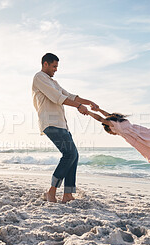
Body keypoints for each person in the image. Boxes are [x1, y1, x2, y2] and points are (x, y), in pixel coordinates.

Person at [32, 53, 99, 203]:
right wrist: (79, 107)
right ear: (45, 64)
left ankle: (67, 194)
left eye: (57, 67)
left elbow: (70, 96)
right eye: (54, 66)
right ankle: (52, 191)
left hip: (61, 124)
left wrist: (89, 102)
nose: (56, 69)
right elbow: (57, 97)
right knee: (69, 154)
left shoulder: (53, 82)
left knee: (74, 155)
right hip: (50, 123)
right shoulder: (39, 77)